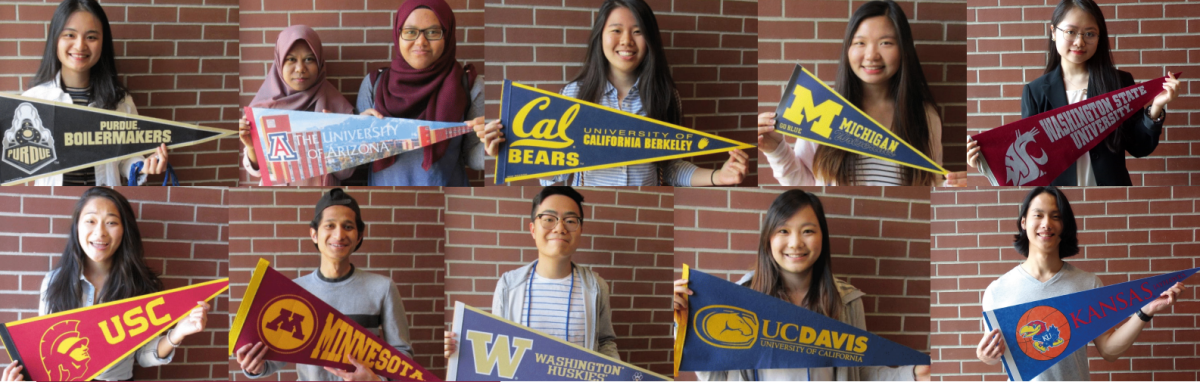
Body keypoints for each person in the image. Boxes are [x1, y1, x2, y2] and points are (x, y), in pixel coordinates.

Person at [474, 0, 749, 186]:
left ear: (650, 40)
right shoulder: (574, 95)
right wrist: (512, 151)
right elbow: (555, 174)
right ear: (600, 37)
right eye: (616, 30)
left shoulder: (665, 95)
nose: (626, 41)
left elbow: (672, 166)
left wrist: (717, 176)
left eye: (638, 32)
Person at [673, 190, 930, 381]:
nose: (796, 243)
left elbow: (861, 373)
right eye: (783, 231)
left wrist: (913, 374)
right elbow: (718, 377)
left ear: (822, 237)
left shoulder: (847, 302)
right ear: (768, 239)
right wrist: (685, 325)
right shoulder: (740, 299)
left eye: (808, 230)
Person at [974, 186, 1185, 380]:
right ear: (1023, 222)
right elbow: (995, 354)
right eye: (1038, 215)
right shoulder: (998, 290)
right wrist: (986, 356)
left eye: (1055, 216)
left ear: (1064, 226)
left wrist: (1145, 311)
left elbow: (1108, 350)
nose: (1046, 223)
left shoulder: (1087, 284)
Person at [1, 187, 208, 381]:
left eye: (111, 222)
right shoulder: (55, 282)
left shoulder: (141, 285)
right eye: (90, 221)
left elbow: (143, 357)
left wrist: (177, 333)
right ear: (77, 227)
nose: (100, 232)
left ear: (125, 230)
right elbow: (44, 353)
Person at [967, 0, 1179, 186]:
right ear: (1053, 32)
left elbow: (1139, 147)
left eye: (1089, 33)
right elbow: (1029, 159)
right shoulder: (1035, 92)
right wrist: (986, 161)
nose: (1080, 42)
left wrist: (1156, 107)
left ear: (1099, 37)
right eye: (1071, 32)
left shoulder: (1119, 82)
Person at [756, 0, 945, 186]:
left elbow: (933, 181)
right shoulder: (823, 106)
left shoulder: (925, 116)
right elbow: (805, 184)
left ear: (904, 49)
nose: (871, 55)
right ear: (848, 49)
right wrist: (776, 150)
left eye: (885, 43)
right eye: (860, 43)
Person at [234, 189, 411, 381]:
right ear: (314, 234)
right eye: (330, 225)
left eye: (348, 227)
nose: (339, 234)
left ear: (359, 236)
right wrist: (254, 366)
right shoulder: (293, 292)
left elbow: (402, 354)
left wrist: (377, 380)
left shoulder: (382, 288)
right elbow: (274, 359)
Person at [444, 186, 618, 359]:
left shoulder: (595, 287)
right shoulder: (508, 285)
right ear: (533, 229)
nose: (560, 228)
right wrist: (460, 350)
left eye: (570, 220)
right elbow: (497, 345)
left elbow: (605, 341)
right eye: (549, 219)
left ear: (580, 230)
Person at [21, 0, 169, 186]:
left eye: (91, 37)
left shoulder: (120, 101)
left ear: (103, 43)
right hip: (53, 203)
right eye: (70, 35)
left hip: (104, 198)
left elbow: (127, 157)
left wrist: (143, 165)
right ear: (55, 39)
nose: (80, 45)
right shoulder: (32, 101)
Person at [357, 0, 487, 186]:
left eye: (433, 32)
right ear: (398, 34)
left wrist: (491, 147)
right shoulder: (374, 84)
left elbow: (471, 157)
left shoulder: (470, 85)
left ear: (447, 35)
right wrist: (355, 133)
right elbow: (358, 158)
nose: (421, 42)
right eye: (410, 32)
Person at [239, 25, 356, 186]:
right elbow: (257, 171)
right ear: (279, 63)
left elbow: (346, 173)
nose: (300, 69)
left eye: (309, 59)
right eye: (291, 59)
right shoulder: (262, 110)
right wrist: (252, 148)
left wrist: (330, 141)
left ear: (320, 62)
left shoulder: (338, 109)